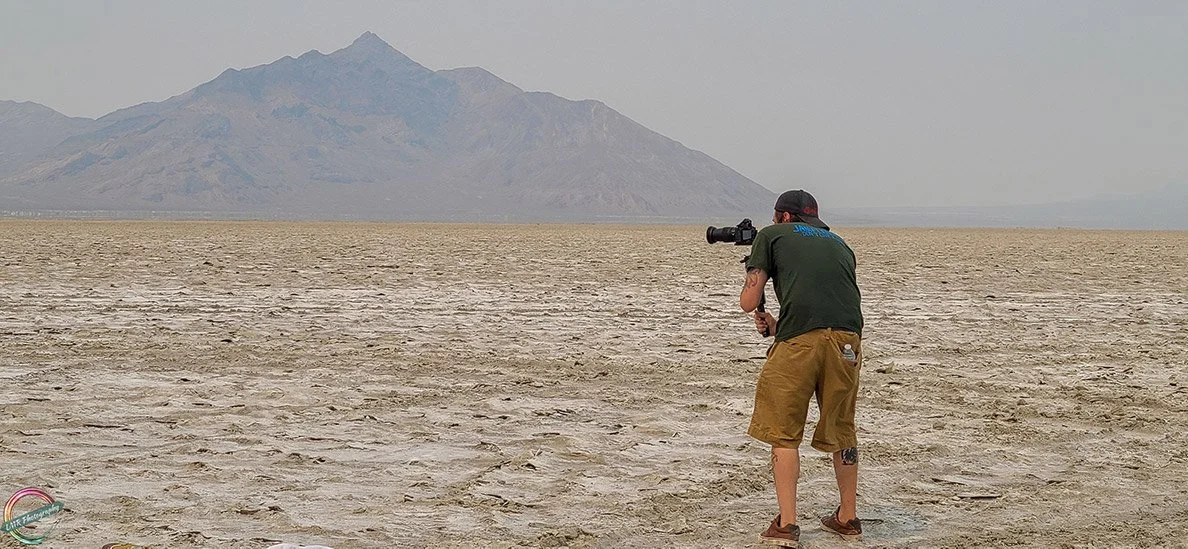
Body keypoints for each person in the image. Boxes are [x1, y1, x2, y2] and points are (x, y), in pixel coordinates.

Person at [739, 189, 865, 547]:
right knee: (842, 428)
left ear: (783, 217)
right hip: (846, 343)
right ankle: (847, 517)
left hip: (799, 347)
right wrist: (779, 325)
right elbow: (823, 310)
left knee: (783, 431)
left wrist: (756, 292)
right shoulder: (838, 242)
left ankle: (788, 524)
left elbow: (749, 302)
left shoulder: (771, 234)